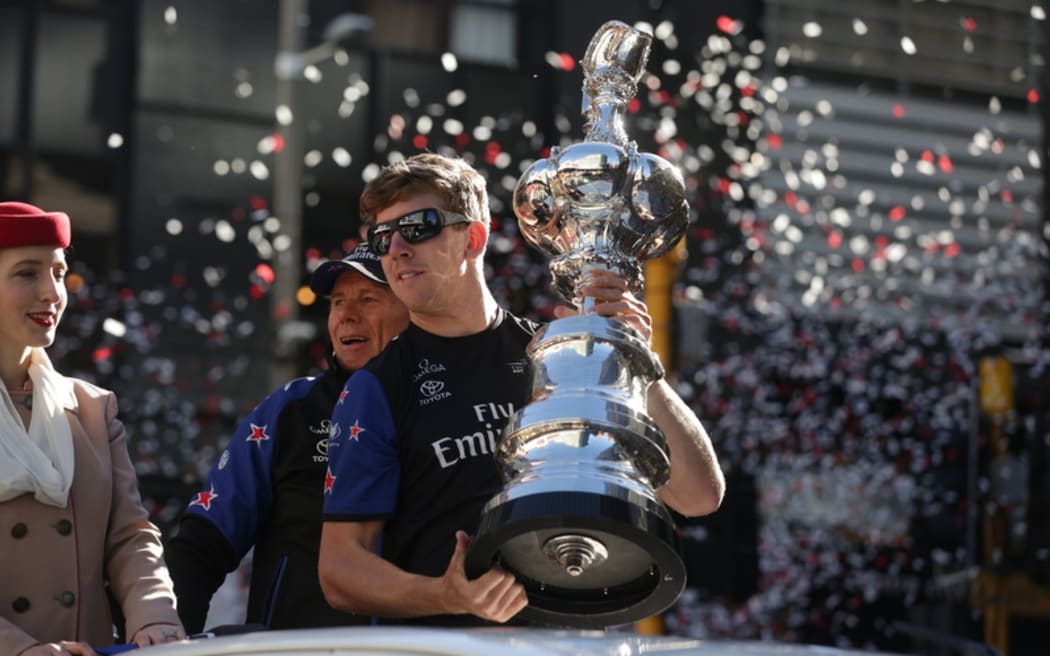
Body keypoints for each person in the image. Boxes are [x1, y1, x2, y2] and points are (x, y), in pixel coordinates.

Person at [318, 153, 726, 626]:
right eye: (382, 237)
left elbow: (699, 496)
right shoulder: (377, 386)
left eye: (418, 227)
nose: (396, 250)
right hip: (443, 646)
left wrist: (636, 361)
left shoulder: (558, 355)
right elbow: (339, 569)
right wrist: (447, 595)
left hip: (567, 637)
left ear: (473, 238)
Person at [164, 243, 409, 633]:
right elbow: (204, 542)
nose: (347, 314)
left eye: (368, 298)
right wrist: (164, 631)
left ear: (414, 308)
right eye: (338, 301)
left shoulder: (448, 406)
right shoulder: (291, 408)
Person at [0, 201, 185, 656]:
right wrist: (19, 649)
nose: (52, 292)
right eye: (28, 273)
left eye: (59, 273)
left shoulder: (92, 408)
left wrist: (154, 616)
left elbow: (130, 536)